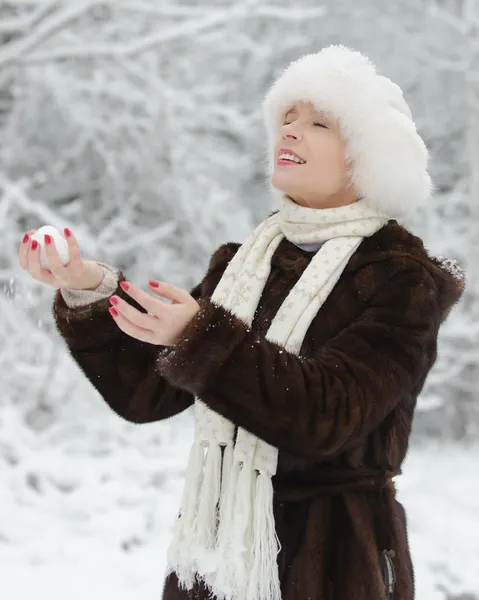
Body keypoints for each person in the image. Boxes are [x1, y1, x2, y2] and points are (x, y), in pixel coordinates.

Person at [19, 45, 466, 600]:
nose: (291, 132)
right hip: (215, 556)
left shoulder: (402, 277)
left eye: (319, 122)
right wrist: (87, 288)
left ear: (364, 157)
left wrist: (199, 338)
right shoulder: (243, 264)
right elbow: (146, 395)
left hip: (334, 564)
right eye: (286, 118)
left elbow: (330, 416)